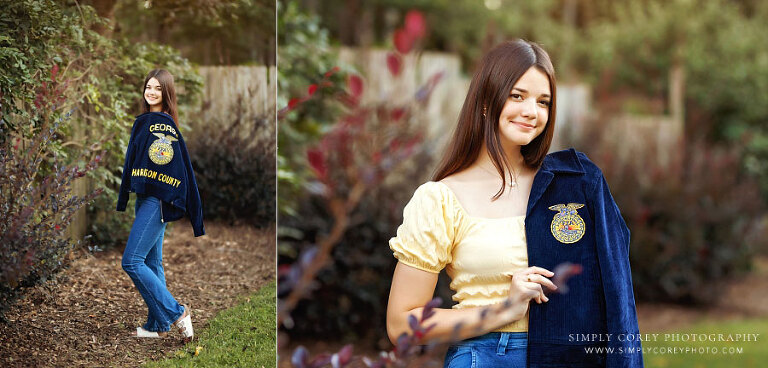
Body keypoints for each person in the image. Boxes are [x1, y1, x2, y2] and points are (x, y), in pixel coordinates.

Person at [386, 40, 642, 367]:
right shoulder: (440, 199)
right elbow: (401, 324)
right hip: (486, 356)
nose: (531, 112)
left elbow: (615, 291)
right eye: (517, 96)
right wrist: (504, 310)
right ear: (485, 101)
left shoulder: (571, 187)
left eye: (543, 101)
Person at [117, 69, 205, 340]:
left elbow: (176, 167)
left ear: (166, 93)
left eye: (158, 88)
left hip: (158, 200)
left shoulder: (161, 123)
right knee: (153, 262)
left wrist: (172, 199)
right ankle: (157, 325)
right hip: (147, 196)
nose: (151, 92)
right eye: (148, 87)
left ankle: (176, 312)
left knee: (131, 261)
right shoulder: (147, 121)